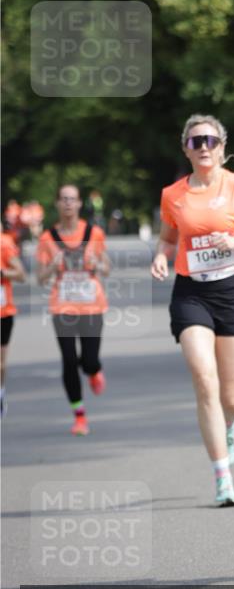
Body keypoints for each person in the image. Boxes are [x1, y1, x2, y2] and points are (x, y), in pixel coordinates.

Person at [151, 114, 234, 508]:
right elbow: (168, 237)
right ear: (185, 147)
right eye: (196, 140)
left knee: (231, 398)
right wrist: (162, 257)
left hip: (232, 292)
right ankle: (223, 478)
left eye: (210, 140)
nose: (204, 147)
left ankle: (230, 424)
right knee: (204, 379)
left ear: (222, 146)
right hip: (191, 294)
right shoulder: (173, 195)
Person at [36, 185, 111, 435]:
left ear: (80, 204)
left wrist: (97, 263)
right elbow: (40, 277)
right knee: (69, 360)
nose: (68, 204)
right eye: (64, 199)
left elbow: (107, 268)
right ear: (57, 204)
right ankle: (79, 417)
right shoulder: (48, 238)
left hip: (92, 305)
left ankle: (93, 371)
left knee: (89, 360)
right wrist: (54, 265)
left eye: (73, 199)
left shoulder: (94, 233)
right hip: (62, 305)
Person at [1, 222, 27, 417]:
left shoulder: (4, 244)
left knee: (0, 364)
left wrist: (2, 273)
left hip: (3, 312)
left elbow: (20, 274)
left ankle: (0, 392)